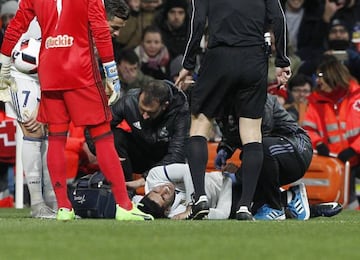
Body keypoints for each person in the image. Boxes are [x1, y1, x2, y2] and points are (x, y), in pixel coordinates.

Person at [0, 0, 153, 221]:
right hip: (81, 71)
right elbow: (100, 30)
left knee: (55, 138)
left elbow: (16, 26)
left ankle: (63, 208)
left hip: (50, 70)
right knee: (103, 137)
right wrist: (111, 72)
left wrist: (3, 62)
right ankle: (124, 205)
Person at [175, 0, 291, 220]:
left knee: (199, 126)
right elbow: (279, 18)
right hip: (254, 59)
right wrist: (282, 60)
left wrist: (188, 64)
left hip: (219, 57)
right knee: (251, 134)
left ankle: (199, 197)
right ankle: (245, 206)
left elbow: (196, 22)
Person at [1, 19, 58, 219]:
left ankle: (54, 201)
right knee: (33, 129)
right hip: (22, 72)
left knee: (54, 132)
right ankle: (37, 203)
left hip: (49, 72)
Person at [94, 80, 191, 187]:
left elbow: (177, 155)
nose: (144, 116)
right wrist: (102, 152)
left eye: (150, 112)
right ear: (139, 96)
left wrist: (144, 179)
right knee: (115, 137)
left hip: (164, 162)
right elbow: (97, 128)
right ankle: (124, 188)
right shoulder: (129, 101)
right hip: (138, 155)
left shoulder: (180, 111)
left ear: (164, 106)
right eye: (141, 110)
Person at [302, 54, 360, 210]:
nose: (318, 81)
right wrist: (318, 143)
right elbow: (308, 128)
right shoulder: (315, 101)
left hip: (355, 158)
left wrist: (354, 149)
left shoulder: (357, 96)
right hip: (336, 162)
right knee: (346, 203)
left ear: (333, 74)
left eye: (321, 76)